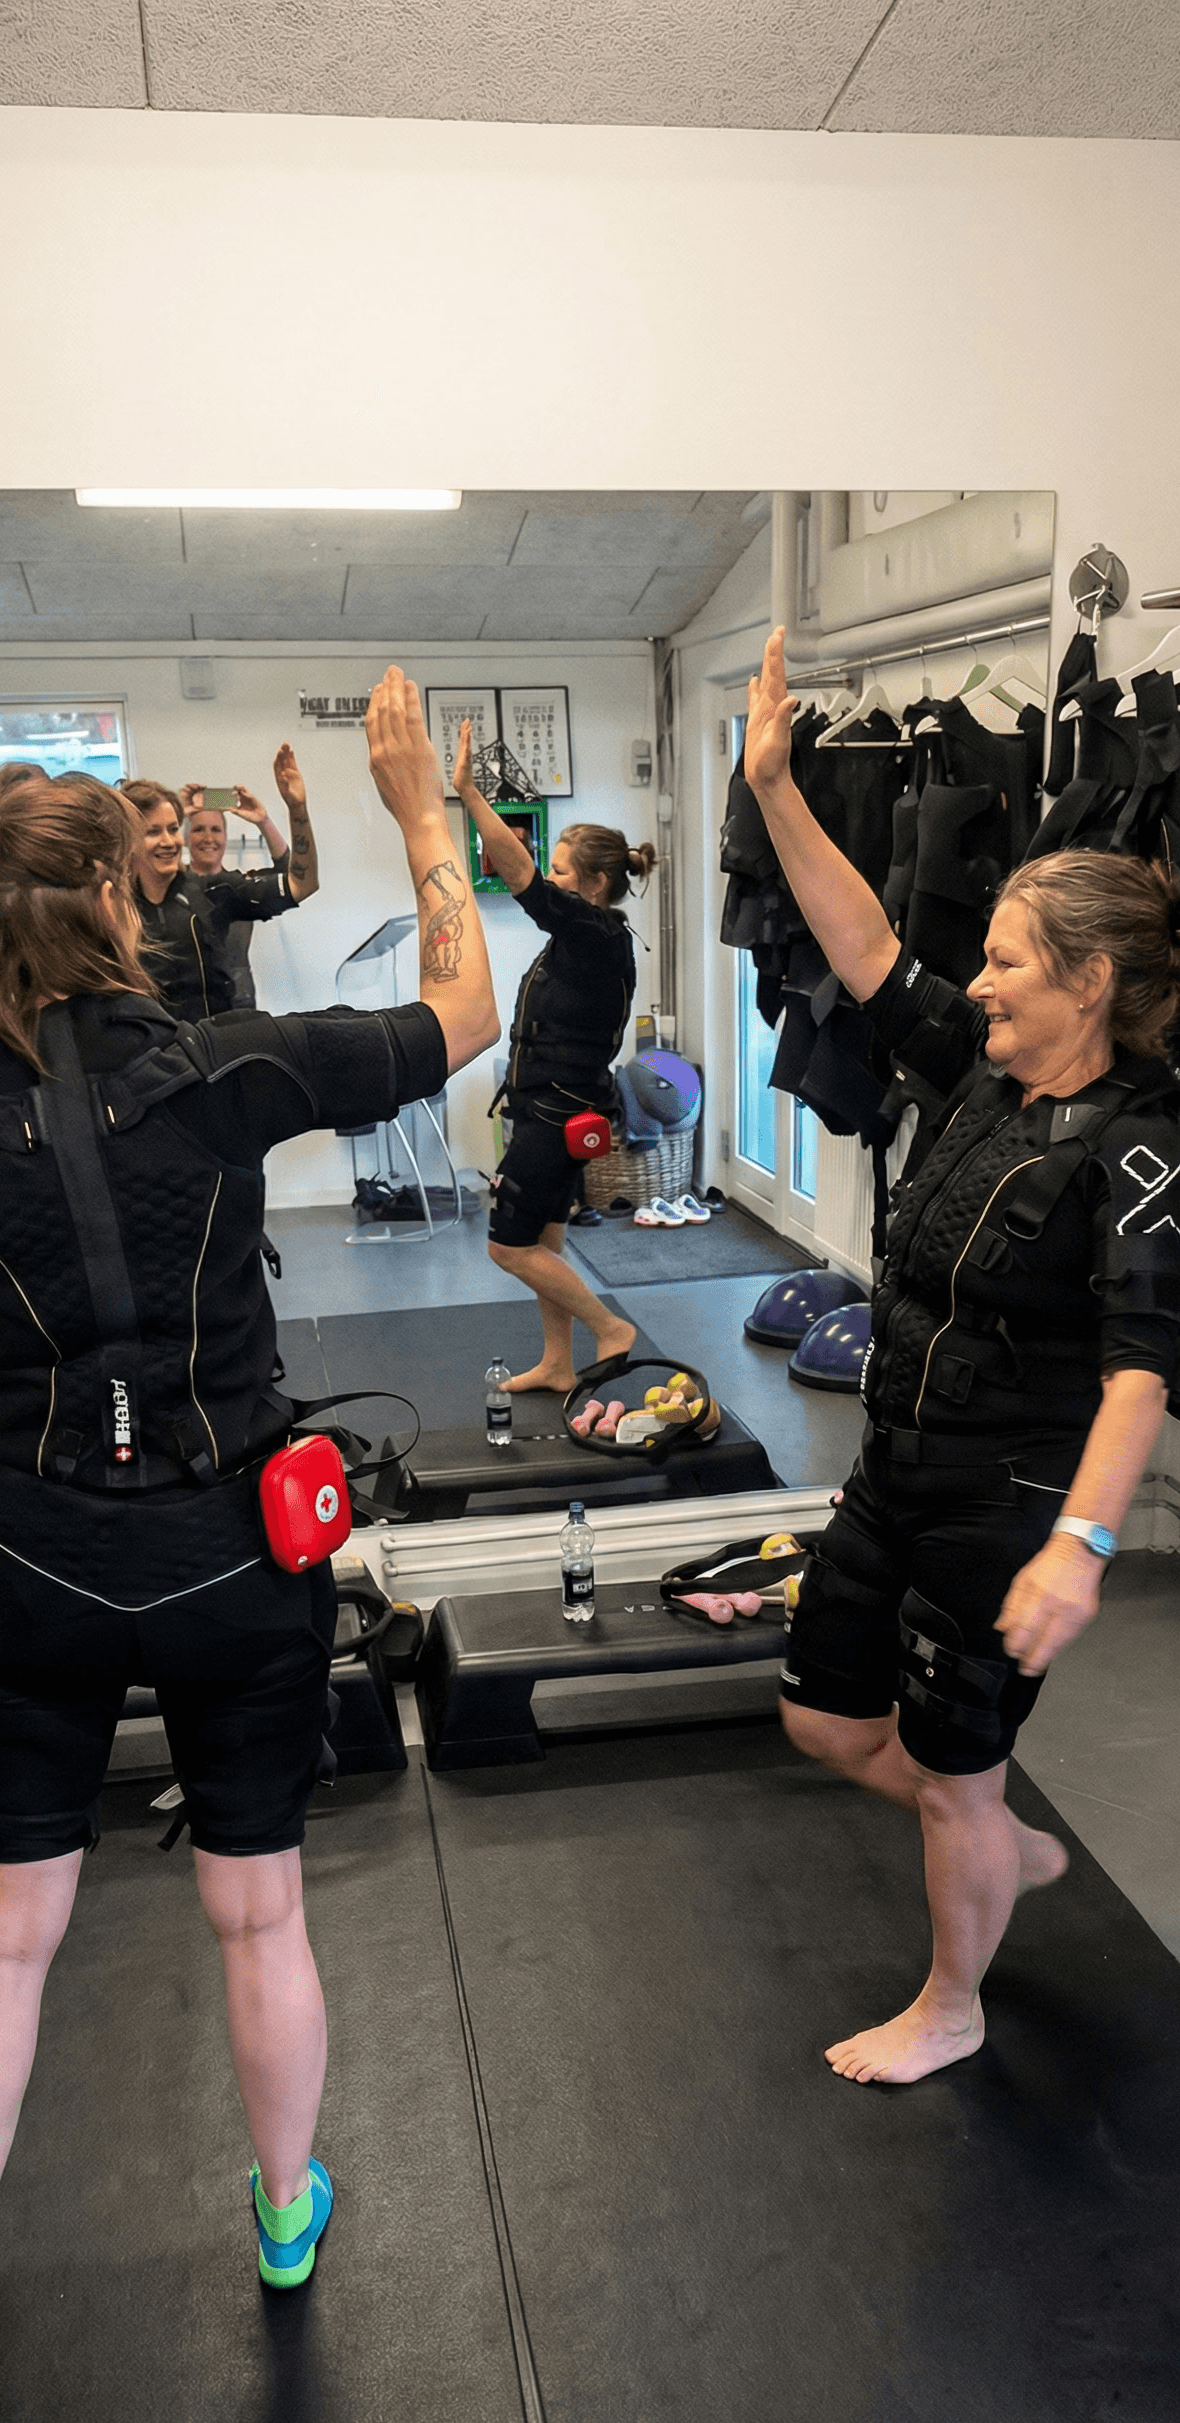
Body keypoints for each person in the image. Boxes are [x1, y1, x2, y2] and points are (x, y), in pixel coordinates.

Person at [0, 669, 497, 2371]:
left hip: (30, 1564)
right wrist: (422, 819)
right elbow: (465, 1012)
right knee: (258, 1910)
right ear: (122, 892)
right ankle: (282, 2205)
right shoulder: (224, 1064)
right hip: (225, 1559)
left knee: (2, 1940)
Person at [743, 625, 1180, 2085]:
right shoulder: (987, 1075)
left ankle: (954, 1998)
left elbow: (1140, 1364)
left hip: (1009, 1498)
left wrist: (1083, 1544)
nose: (976, 981)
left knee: (949, 1779)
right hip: (897, 1467)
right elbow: (866, 946)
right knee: (820, 1715)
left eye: (1003, 961)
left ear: (1090, 979)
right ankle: (997, 1828)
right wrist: (775, 787)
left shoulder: (1141, 1144)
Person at [453, 721, 657, 1392]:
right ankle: (558, 1362)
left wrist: (469, 795)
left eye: (564, 871)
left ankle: (611, 1326)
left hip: (556, 1112)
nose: (552, 879)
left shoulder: (595, 932)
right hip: (555, 1105)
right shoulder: (592, 935)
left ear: (595, 885)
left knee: (506, 1245)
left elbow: (520, 874)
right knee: (544, 1240)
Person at [122, 748, 319, 1021]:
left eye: (171, 829)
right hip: (155, 1036)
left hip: (228, 1017)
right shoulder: (116, 904)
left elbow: (299, 882)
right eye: (154, 831)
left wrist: (292, 810)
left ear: (226, 836)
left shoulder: (220, 891)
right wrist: (176, 812)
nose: (168, 840)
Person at [181, 748, 315, 1011]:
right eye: (198, 829)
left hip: (238, 1001)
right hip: (185, 1003)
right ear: (185, 837)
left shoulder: (239, 887)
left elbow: (294, 875)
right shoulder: (171, 884)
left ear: (225, 836)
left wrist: (263, 821)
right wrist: (177, 814)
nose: (208, 838)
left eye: (216, 830)